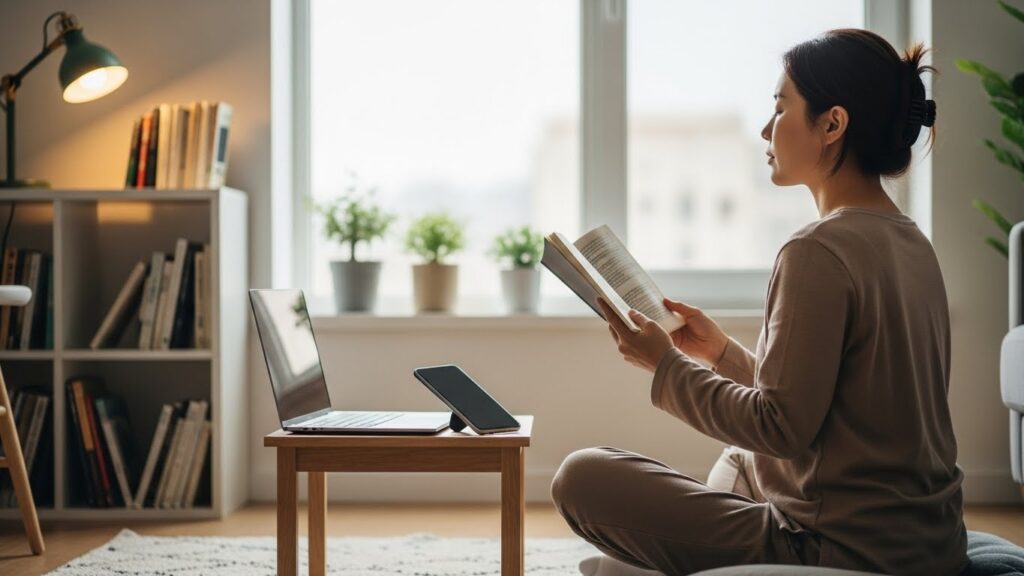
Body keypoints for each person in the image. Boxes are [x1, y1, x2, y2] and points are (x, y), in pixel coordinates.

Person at [550, 28, 966, 576]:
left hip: (838, 548)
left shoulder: (816, 250)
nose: (766, 128)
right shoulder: (911, 241)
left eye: (780, 108)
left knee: (581, 477)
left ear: (832, 125)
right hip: (927, 541)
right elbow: (828, 411)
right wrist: (720, 353)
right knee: (742, 461)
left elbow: (779, 429)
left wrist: (664, 364)